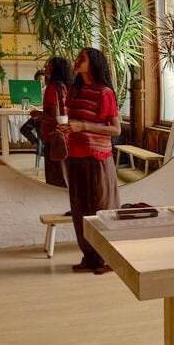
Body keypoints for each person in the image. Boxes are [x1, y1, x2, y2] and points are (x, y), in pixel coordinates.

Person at [60, 48, 120, 274]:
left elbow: (115, 129)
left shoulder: (104, 93)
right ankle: (89, 257)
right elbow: (71, 120)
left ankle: (107, 259)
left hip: (98, 159)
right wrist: (63, 127)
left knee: (102, 209)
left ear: (93, 63)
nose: (76, 61)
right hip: (74, 157)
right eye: (76, 57)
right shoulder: (73, 91)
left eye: (82, 58)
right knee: (80, 211)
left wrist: (83, 126)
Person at [35, 58, 71, 187]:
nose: (46, 67)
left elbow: (53, 116)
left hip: (52, 136)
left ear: (56, 69)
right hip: (65, 134)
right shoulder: (64, 86)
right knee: (64, 173)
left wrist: (39, 115)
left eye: (49, 65)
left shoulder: (51, 88)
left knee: (55, 177)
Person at [18, 69, 44, 149]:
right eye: (38, 80)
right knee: (24, 129)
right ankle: (39, 145)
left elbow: (46, 106)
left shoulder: (48, 90)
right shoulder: (33, 90)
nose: (40, 81)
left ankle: (41, 147)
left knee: (38, 130)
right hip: (36, 115)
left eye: (42, 79)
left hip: (43, 116)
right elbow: (25, 106)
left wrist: (36, 107)